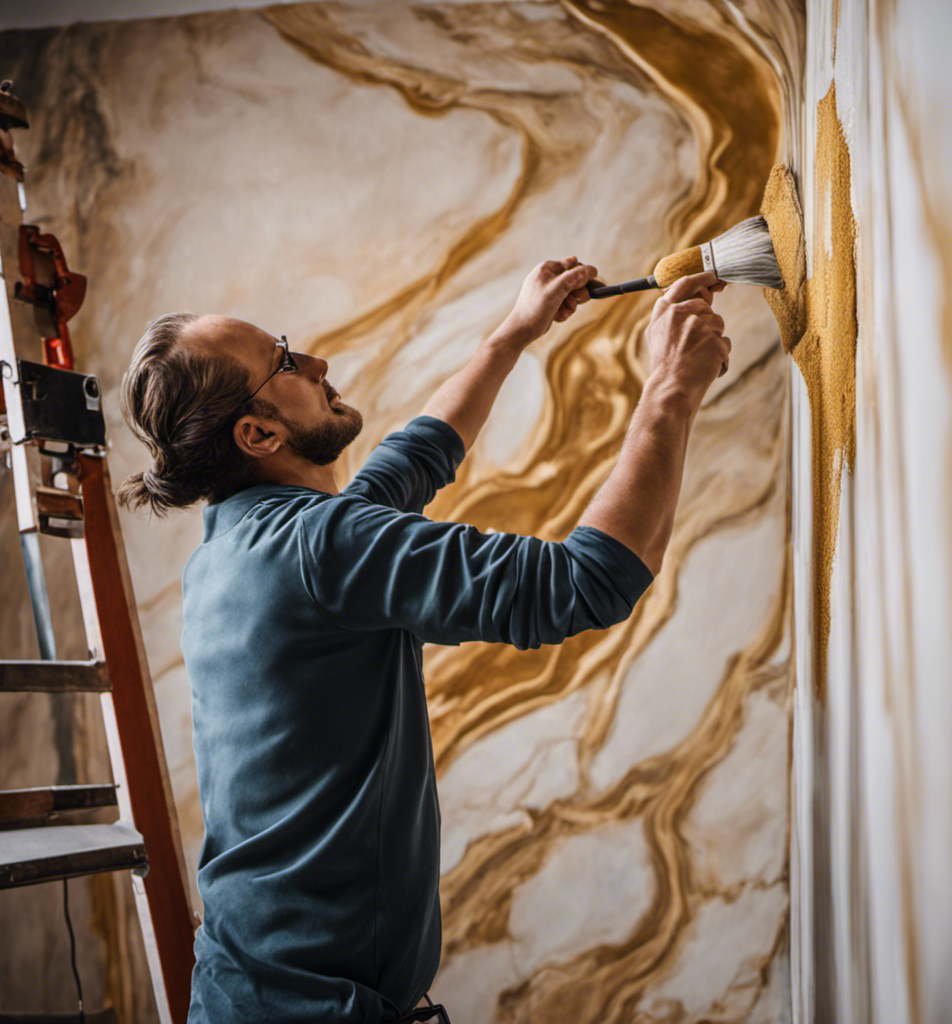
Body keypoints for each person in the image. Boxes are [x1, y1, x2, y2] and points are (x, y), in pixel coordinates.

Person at [117, 257, 729, 1024]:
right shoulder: (321, 547)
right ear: (260, 431)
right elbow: (586, 582)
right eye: (283, 361)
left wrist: (515, 331)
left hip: (249, 996)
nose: (315, 361)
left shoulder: (232, 547)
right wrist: (671, 388)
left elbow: (411, 460)